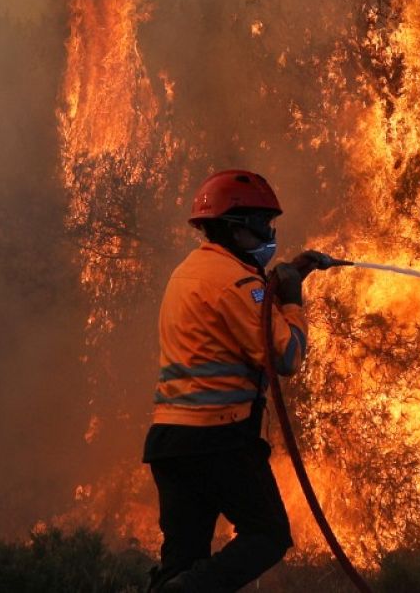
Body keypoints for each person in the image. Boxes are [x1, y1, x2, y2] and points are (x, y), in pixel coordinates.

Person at [144, 168, 341, 593]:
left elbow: (237, 316)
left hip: (171, 443)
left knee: (183, 559)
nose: (269, 233)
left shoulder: (191, 272)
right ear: (236, 228)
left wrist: (281, 281)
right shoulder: (238, 282)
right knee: (267, 535)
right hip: (219, 439)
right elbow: (285, 356)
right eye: (262, 224)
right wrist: (291, 301)